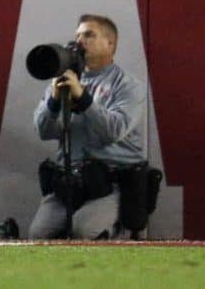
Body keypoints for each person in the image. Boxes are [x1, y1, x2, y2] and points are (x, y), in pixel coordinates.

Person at [28, 13, 146, 240]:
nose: (80, 41)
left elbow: (114, 131)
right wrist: (54, 99)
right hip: (68, 181)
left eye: (89, 35)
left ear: (110, 43)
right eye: (78, 35)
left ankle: (114, 233)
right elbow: (43, 131)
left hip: (109, 184)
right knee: (39, 233)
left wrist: (82, 97)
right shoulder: (64, 79)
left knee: (85, 230)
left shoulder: (128, 86)